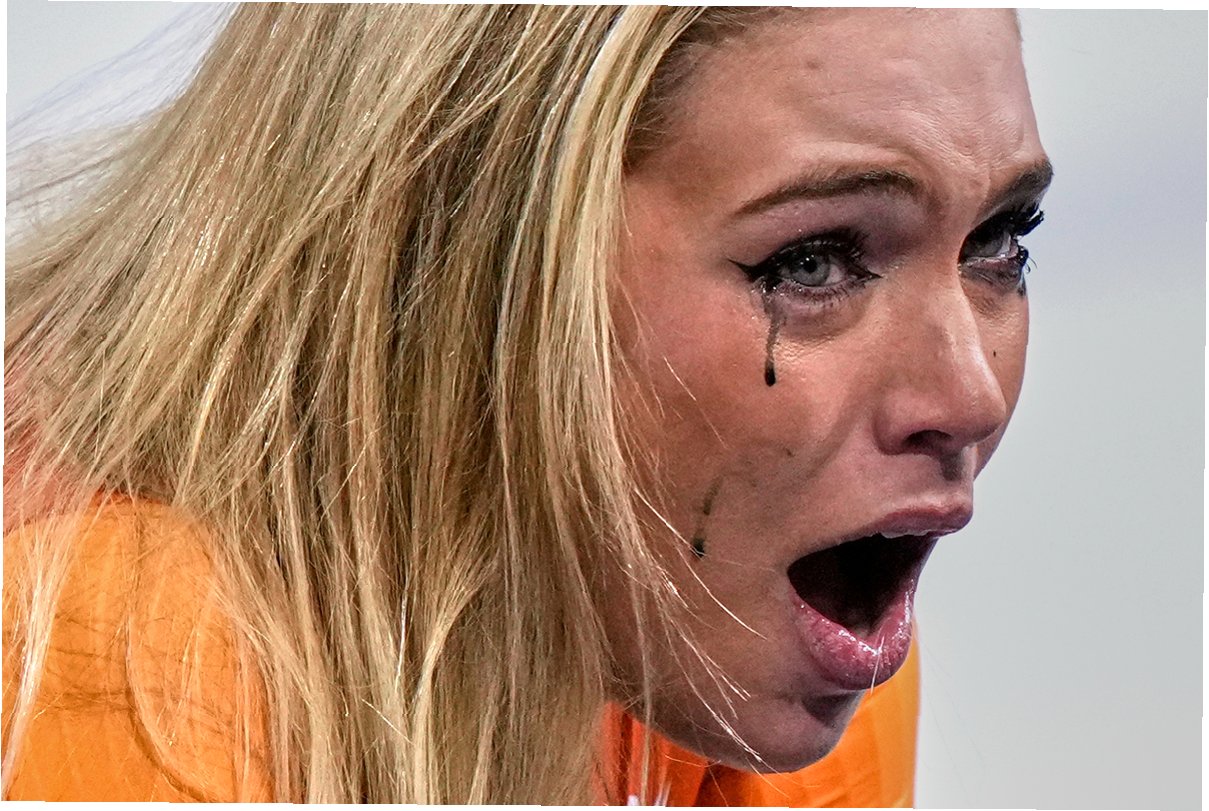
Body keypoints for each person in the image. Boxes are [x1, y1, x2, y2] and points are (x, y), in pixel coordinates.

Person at [3, 5, 1050, 805]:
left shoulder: (738, 630)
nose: (968, 396)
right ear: (464, 265)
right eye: (813, 261)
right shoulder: (120, 654)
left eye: (999, 242)